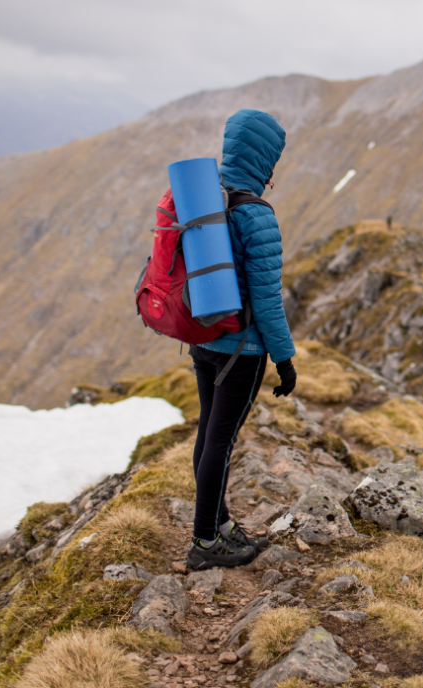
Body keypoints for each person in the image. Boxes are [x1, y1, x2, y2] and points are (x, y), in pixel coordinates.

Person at [186, 108, 297, 571]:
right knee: (221, 442)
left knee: (209, 434)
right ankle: (206, 544)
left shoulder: (203, 201)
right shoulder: (256, 215)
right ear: (264, 161)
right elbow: (268, 301)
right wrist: (285, 359)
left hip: (203, 340)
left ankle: (220, 524)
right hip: (242, 351)